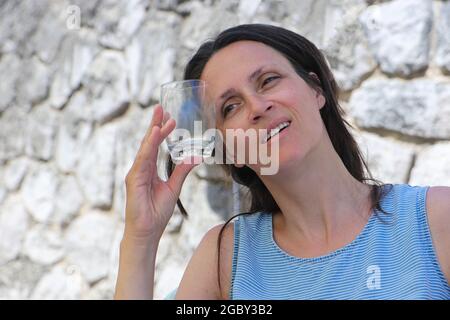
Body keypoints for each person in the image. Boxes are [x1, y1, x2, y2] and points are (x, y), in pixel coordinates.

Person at [114, 24, 450, 300]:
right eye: (230, 107)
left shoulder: (435, 219)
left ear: (316, 89)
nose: (257, 106)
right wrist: (141, 237)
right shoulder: (224, 258)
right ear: (229, 150)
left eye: (268, 81)